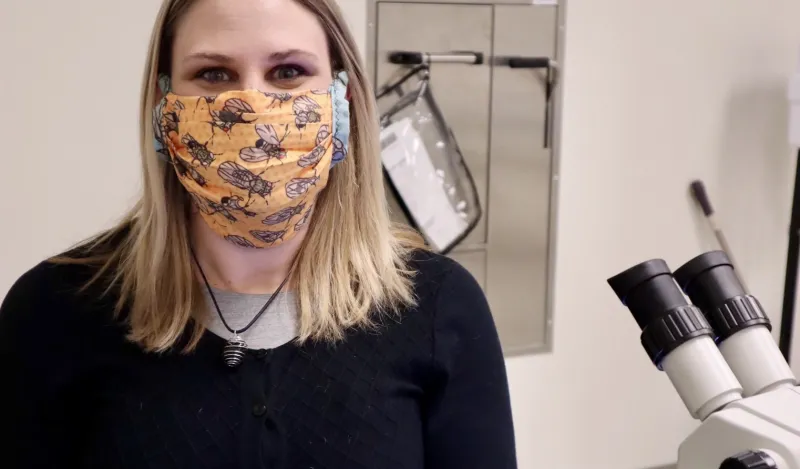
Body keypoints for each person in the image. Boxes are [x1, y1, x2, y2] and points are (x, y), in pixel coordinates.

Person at [0, 0, 517, 467]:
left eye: (289, 71)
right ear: (164, 108)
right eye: (213, 73)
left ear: (341, 102)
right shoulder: (53, 311)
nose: (251, 104)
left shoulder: (437, 309)